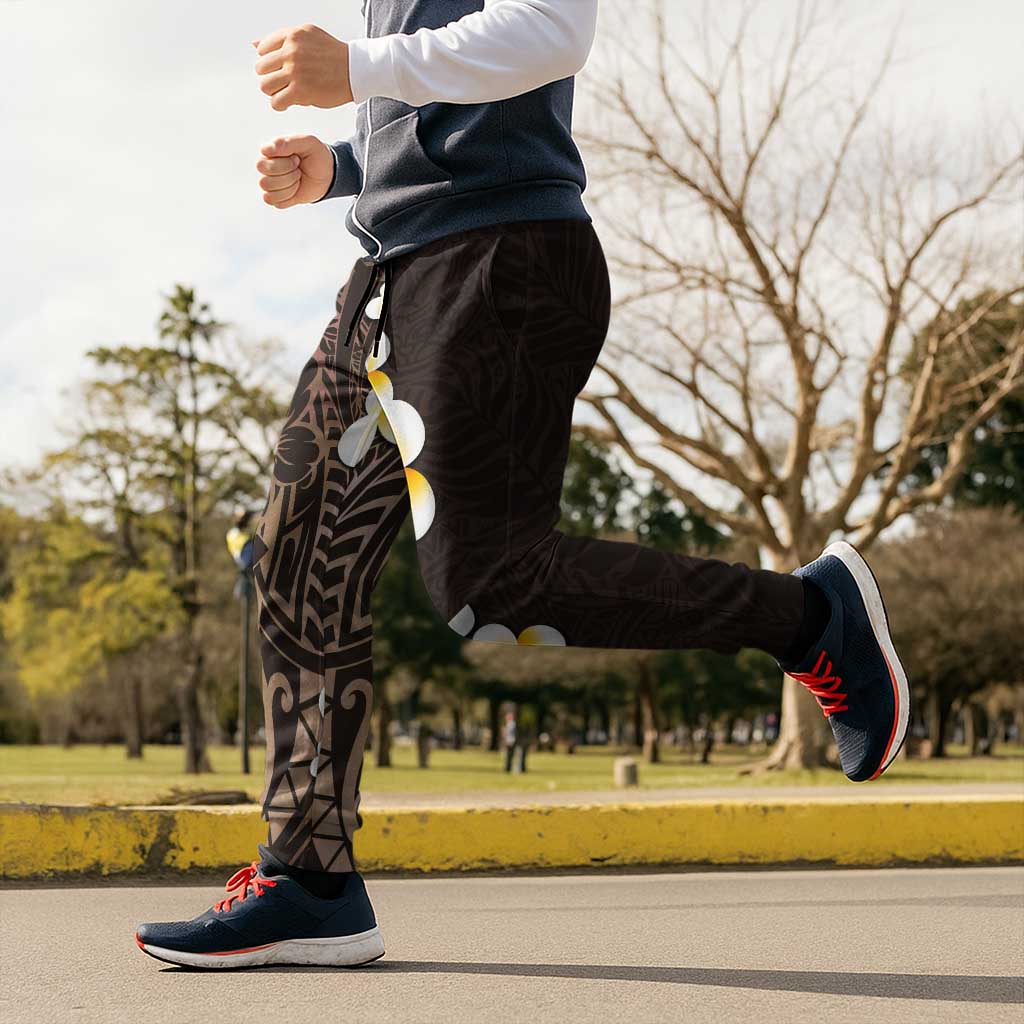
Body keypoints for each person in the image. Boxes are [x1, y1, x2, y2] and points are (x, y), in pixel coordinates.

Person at [135, 0, 910, 969]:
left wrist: (363, 64)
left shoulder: (399, 52)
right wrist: (342, 167)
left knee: (492, 588)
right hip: (388, 275)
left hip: (495, 262)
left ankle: (809, 617)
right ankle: (310, 877)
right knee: (296, 560)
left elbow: (552, 29)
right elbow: (446, 111)